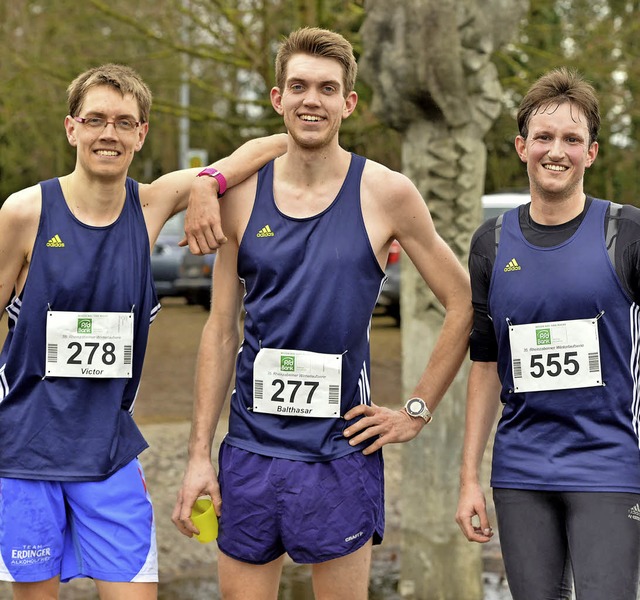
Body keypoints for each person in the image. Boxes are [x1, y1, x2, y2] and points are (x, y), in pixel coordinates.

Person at [172, 27, 472, 599]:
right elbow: (219, 330)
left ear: (348, 103)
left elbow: (462, 304)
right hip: (251, 451)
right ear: (277, 98)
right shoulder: (239, 195)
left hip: (340, 451)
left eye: (328, 88)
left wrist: (416, 410)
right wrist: (197, 456)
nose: (313, 99)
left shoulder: (386, 192)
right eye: (300, 86)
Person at [0, 63, 286, 600]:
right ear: (71, 128)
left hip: (109, 454)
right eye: (95, 119)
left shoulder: (150, 205)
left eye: (123, 122)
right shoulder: (25, 213)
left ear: (141, 134)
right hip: (24, 455)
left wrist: (208, 184)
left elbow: (270, 142)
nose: (108, 133)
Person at [455, 67, 640, 600]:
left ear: (591, 153)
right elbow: (486, 364)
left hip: (609, 461)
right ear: (521, 146)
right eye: (544, 137)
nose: (555, 151)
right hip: (521, 468)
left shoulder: (624, 232)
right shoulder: (490, 242)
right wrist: (470, 477)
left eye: (571, 139)